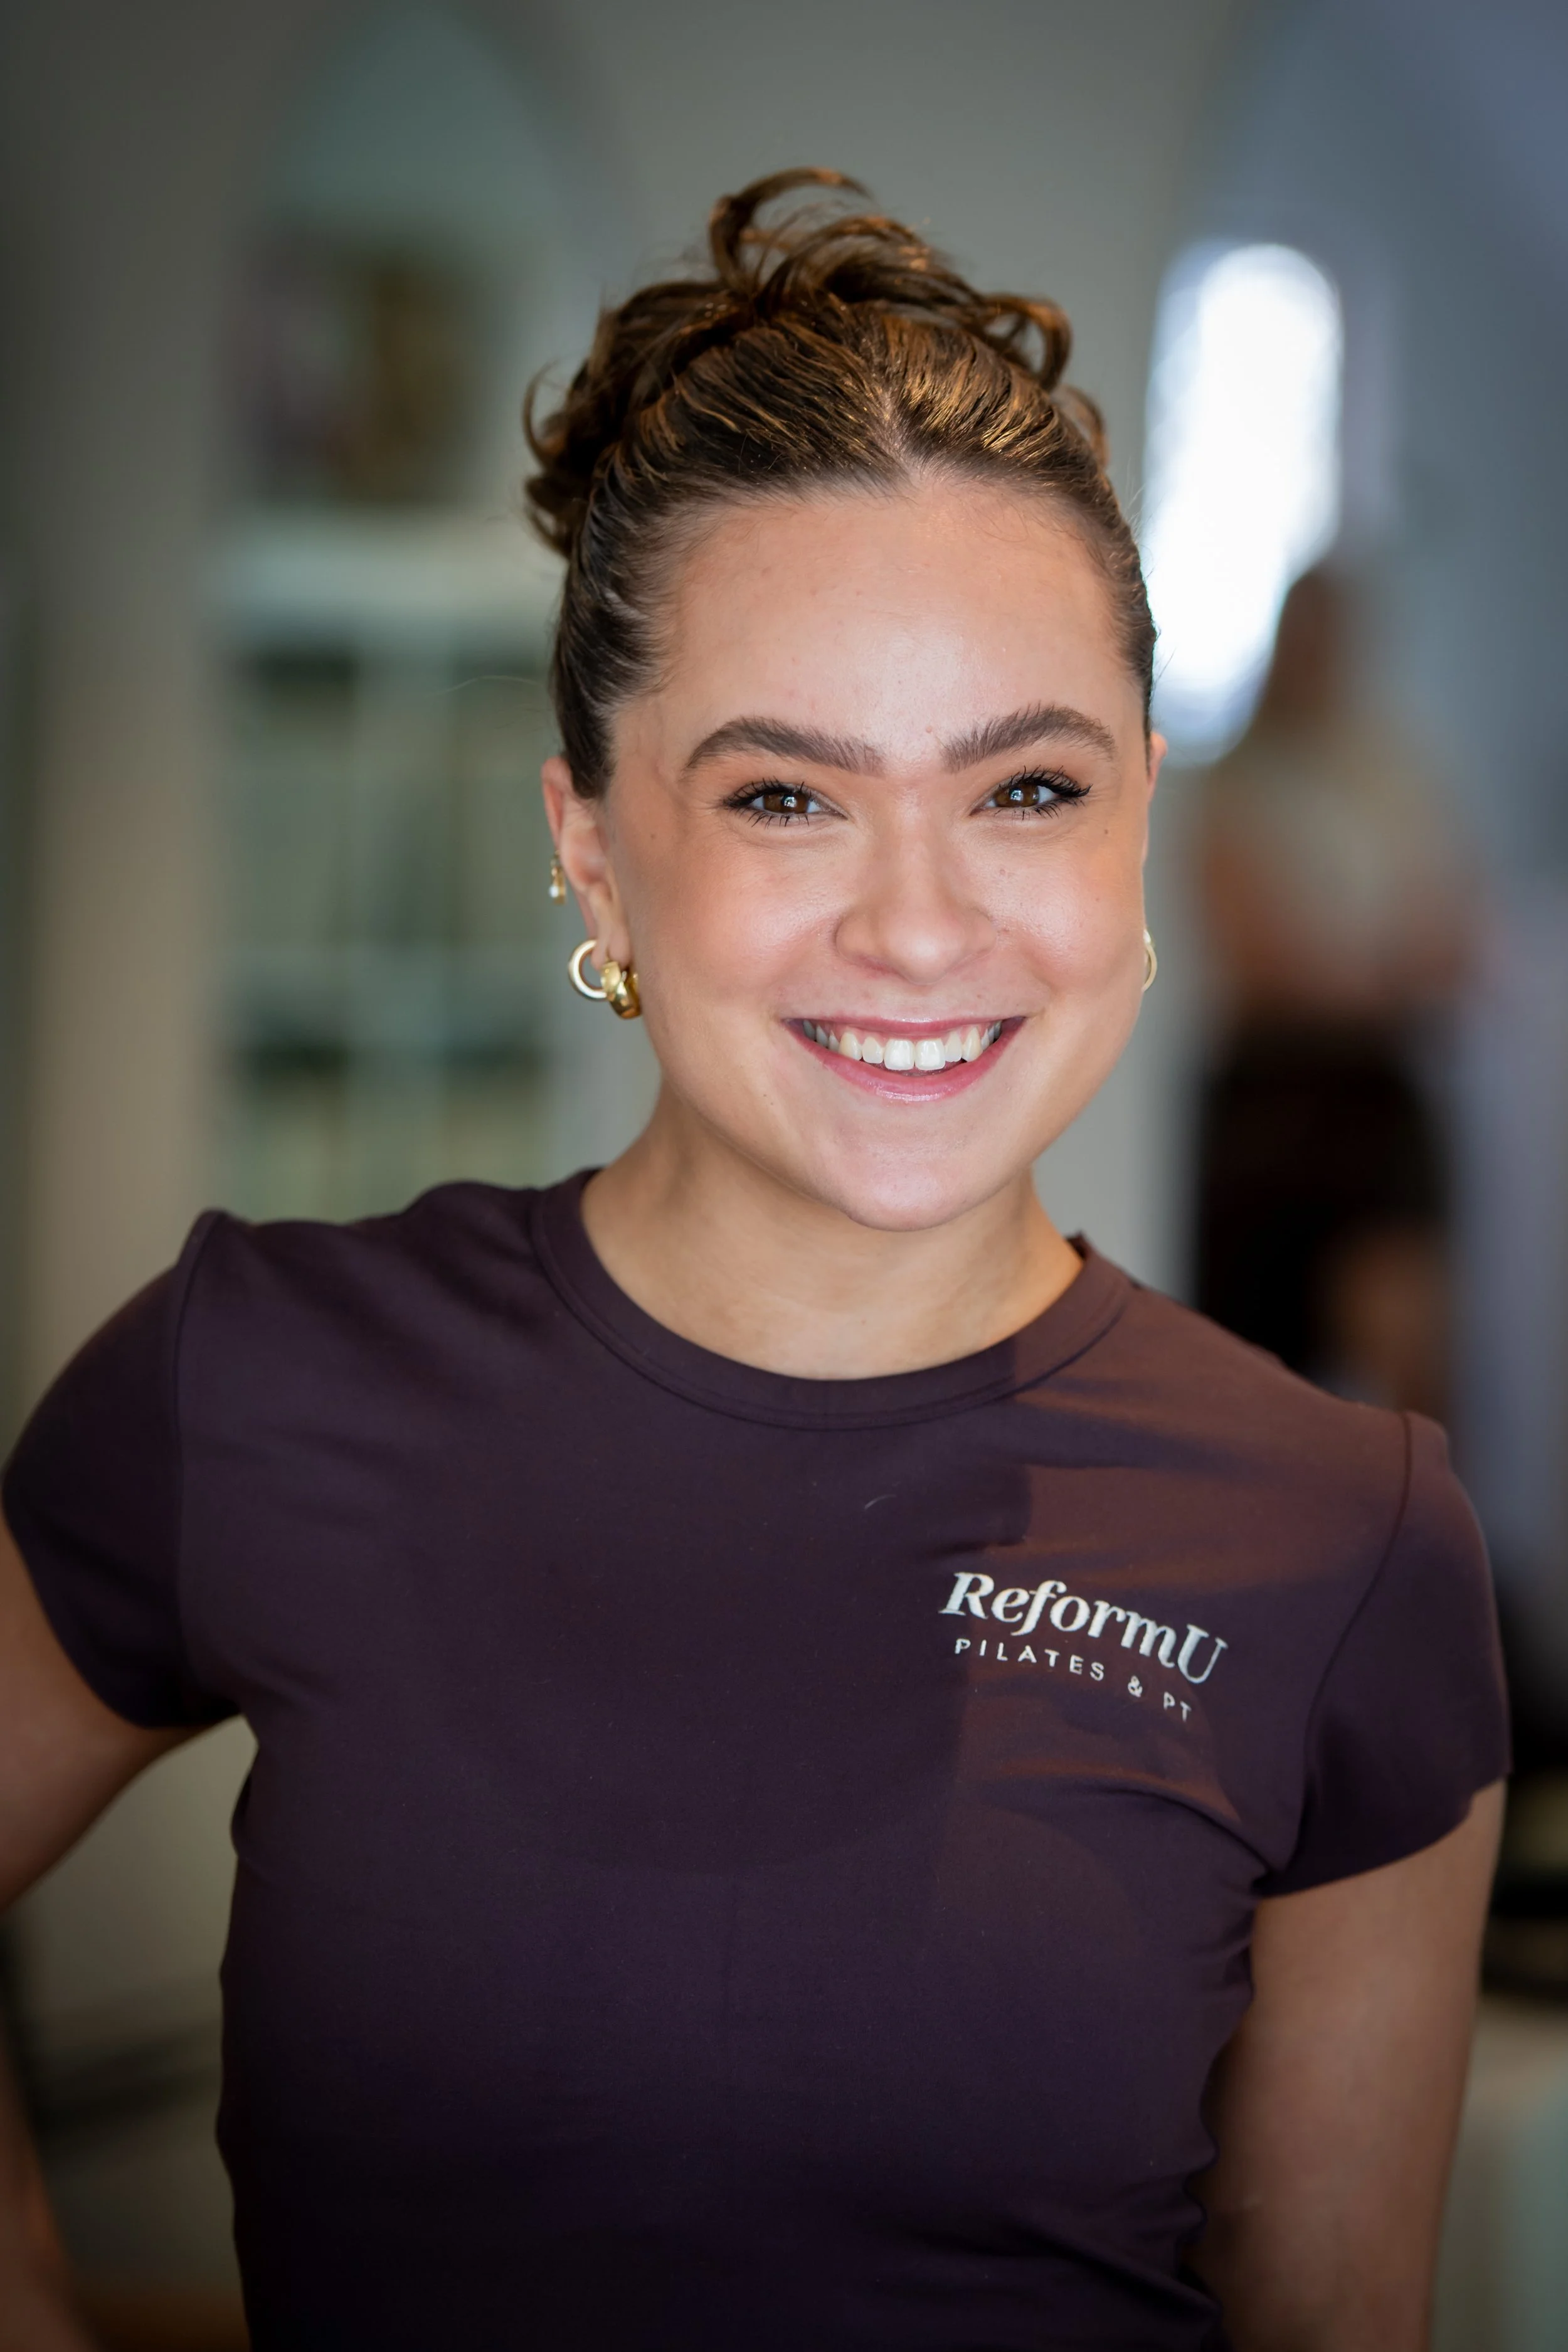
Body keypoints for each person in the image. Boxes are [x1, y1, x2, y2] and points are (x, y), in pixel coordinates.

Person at [0, 172, 1507, 2351]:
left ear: (1139, 820)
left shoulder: (1342, 1541)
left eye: (1027, 789)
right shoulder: (256, 1376)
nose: (920, 924)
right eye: (785, 796)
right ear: (593, 851)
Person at [1194, 568, 1475, 1417]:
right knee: (1255, 1385)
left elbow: (1455, 945)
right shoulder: (1236, 783)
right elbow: (1264, 960)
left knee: (1409, 1371)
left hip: (1372, 1096)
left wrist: (1347, 968)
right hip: (1272, 1101)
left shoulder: (1390, 778)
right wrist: (1378, 970)